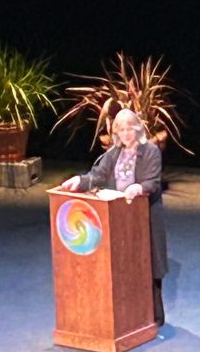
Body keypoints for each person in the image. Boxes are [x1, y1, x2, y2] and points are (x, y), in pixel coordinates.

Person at [61, 107, 168, 326]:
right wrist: (79, 182)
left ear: (138, 129)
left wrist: (139, 187)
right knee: (123, 266)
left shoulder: (150, 151)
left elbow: (154, 183)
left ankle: (154, 318)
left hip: (143, 217)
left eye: (130, 129)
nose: (126, 134)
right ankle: (127, 317)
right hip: (118, 218)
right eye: (121, 130)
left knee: (148, 266)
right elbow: (98, 176)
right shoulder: (113, 153)